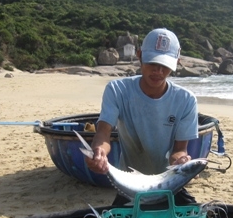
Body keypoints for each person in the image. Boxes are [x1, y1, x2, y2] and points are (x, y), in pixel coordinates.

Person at [85, 28, 199, 206]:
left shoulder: (186, 100)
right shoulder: (117, 90)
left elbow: (179, 149)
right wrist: (99, 152)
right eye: (153, 62)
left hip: (167, 181)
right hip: (129, 181)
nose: (158, 71)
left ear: (177, 62)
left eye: (165, 65)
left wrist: (180, 161)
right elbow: (103, 133)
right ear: (139, 56)